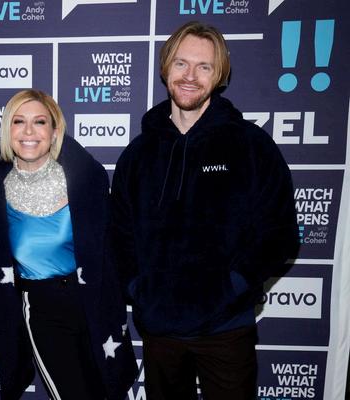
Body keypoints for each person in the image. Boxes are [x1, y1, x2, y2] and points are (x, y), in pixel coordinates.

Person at [110, 21, 299, 400]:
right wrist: (139, 289)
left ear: (219, 76)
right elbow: (119, 235)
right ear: (166, 68)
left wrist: (232, 287)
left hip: (227, 328)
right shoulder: (139, 153)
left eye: (204, 67)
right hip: (160, 329)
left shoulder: (251, 146)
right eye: (181, 64)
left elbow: (279, 235)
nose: (190, 76)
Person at [0, 89, 138, 400]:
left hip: (92, 304)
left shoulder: (86, 179)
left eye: (39, 122)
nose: (29, 131)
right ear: (7, 130)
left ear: (55, 130)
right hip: (42, 310)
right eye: (18, 121)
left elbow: (111, 250)